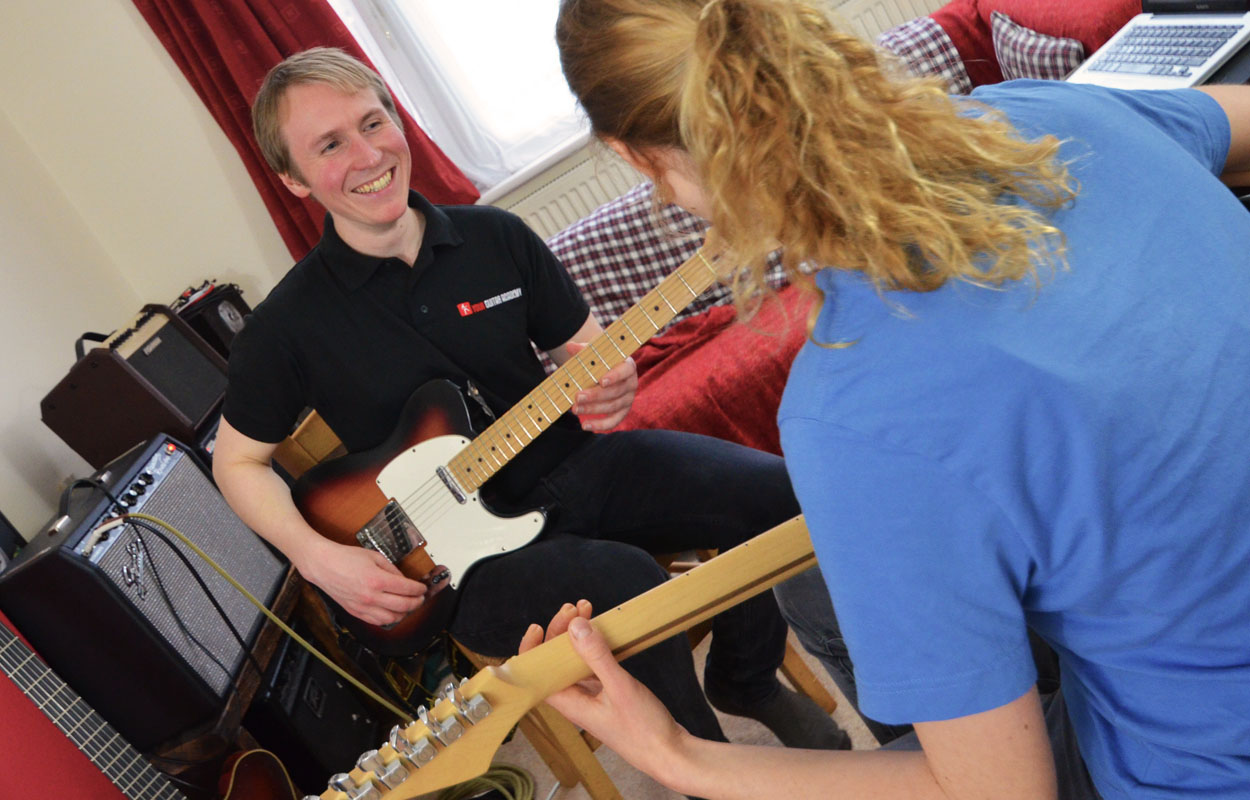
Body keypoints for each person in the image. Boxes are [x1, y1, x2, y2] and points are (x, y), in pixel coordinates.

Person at [519, 1, 1250, 798]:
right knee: (813, 587)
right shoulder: (1052, 116)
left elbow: (1001, 793)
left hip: (1204, 765)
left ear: (637, 157)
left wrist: (675, 754)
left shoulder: (852, 417)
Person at [211, 46, 849, 761]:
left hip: (578, 465)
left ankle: (746, 678)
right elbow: (236, 464)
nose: (367, 155)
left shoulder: (495, 237)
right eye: (330, 145)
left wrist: (610, 376)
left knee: (780, 495)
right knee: (628, 585)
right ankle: (705, 770)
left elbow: (587, 347)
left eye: (372, 122)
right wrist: (319, 560)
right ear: (294, 179)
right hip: (463, 567)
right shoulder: (286, 326)